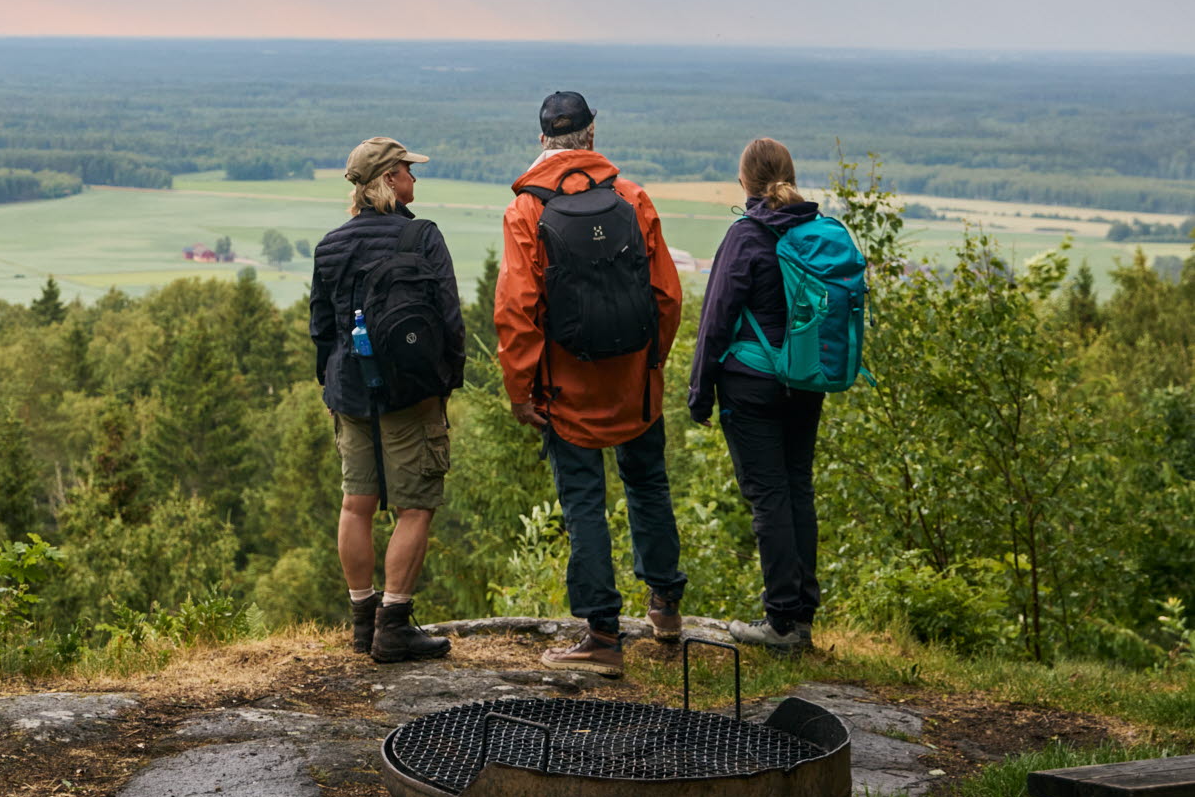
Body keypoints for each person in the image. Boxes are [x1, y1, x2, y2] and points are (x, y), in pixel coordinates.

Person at [496, 91, 685, 673]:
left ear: (543, 140)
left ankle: (602, 637)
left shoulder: (526, 210)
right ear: (592, 135)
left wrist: (520, 391)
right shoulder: (631, 198)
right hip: (634, 385)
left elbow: (517, 309)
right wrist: (652, 362)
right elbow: (667, 296)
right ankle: (666, 610)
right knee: (648, 486)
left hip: (565, 390)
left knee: (584, 504)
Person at [310, 136, 466, 663]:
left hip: (349, 391)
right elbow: (448, 318)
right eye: (407, 171)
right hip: (412, 392)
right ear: (388, 181)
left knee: (356, 503)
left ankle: (361, 623)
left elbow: (322, 328)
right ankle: (393, 626)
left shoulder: (330, 244)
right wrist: (447, 382)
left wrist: (332, 386)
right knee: (415, 505)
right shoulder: (421, 236)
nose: (414, 180)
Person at [687, 136, 824, 652]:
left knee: (769, 497)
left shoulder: (747, 236)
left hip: (752, 384)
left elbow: (715, 319)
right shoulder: (812, 229)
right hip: (806, 381)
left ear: (744, 182)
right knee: (797, 489)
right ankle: (802, 614)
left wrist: (700, 393)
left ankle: (782, 622)